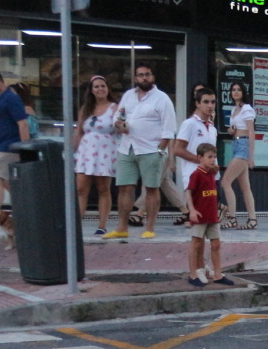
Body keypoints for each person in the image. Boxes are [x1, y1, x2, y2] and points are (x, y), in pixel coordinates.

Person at [106, 64, 175, 239]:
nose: (144, 78)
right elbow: (118, 115)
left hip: (151, 149)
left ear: (153, 77)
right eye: (141, 75)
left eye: (147, 75)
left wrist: (160, 150)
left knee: (151, 188)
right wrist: (119, 123)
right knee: (124, 188)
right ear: (135, 78)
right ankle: (122, 227)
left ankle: (150, 228)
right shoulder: (128, 96)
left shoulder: (162, 98)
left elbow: (169, 128)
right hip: (127, 147)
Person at [72, 75, 120, 236]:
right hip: (85, 153)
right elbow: (78, 131)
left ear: (108, 88)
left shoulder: (115, 108)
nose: (100, 89)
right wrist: (74, 152)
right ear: (91, 91)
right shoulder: (86, 108)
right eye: (96, 87)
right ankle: (77, 224)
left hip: (105, 153)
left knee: (103, 189)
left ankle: (102, 225)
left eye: (103, 86)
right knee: (80, 189)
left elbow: (120, 128)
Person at [184, 143, 237, 288]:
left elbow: (215, 172)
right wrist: (192, 210)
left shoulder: (212, 174)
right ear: (200, 158)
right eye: (209, 157)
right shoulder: (196, 174)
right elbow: (188, 191)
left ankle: (218, 274)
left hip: (212, 215)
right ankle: (193, 274)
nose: (213, 160)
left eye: (214, 157)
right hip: (200, 214)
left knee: (216, 243)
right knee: (195, 243)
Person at [0, 69, 30, 218]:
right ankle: (27, 207)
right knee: (6, 182)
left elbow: (23, 123)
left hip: (8, 146)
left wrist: (26, 149)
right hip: (0, 147)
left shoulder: (11, 99)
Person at [173, 86, 219, 224]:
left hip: (211, 177)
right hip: (195, 177)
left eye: (213, 102)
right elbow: (178, 149)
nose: (210, 106)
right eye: (206, 102)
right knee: (198, 223)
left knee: (210, 220)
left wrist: (213, 166)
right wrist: (201, 162)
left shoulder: (212, 127)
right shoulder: (189, 124)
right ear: (197, 103)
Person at [222, 80, 257, 230]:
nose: (235, 92)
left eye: (238, 90)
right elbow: (238, 127)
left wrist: (251, 155)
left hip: (243, 145)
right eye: (233, 89)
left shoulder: (247, 109)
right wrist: (232, 130)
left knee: (225, 182)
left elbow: (251, 131)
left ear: (243, 92)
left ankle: (232, 218)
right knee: (245, 186)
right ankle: (252, 219)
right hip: (236, 144)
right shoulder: (234, 109)